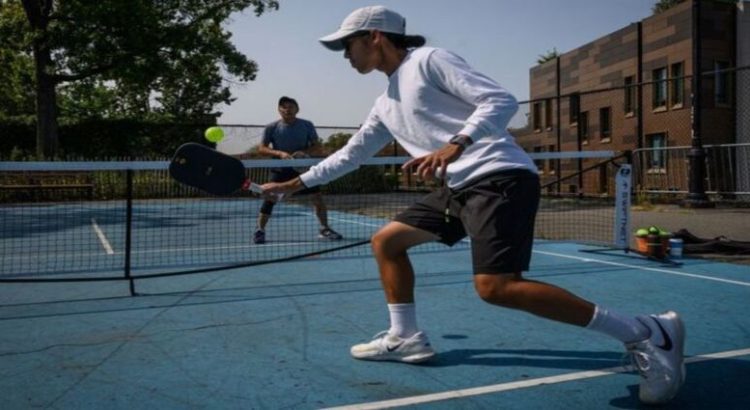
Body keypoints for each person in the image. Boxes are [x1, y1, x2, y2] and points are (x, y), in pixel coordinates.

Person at [262, 6, 685, 405]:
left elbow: (500, 101)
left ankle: (645, 332)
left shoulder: (429, 61)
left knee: (496, 288)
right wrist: (296, 184)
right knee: (388, 242)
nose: (343, 54)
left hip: (498, 176)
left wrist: (455, 144)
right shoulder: (384, 103)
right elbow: (350, 155)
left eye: (346, 44)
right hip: (458, 187)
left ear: (374, 37)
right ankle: (405, 336)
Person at [253, 96, 343, 244]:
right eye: (284, 107)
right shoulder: (271, 127)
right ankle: (259, 230)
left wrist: (303, 153)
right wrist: (280, 153)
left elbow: (317, 146)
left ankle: (324, 229)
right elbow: (261, 148)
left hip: (303, 169)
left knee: (317, 198)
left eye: (291, 106)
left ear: (297, 109)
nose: (287, 109)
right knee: (270, 199)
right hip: (280, 169)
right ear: (279, 110)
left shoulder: (307, 125)